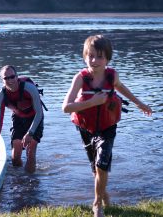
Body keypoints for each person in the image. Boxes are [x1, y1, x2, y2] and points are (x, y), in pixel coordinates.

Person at [62, 35, 152, 217]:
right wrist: (93, 102)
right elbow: (66, 107)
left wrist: (138, 103)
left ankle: (97, 204)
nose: (94, 61)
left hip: (107, 126)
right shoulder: (80, 78)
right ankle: (103, 194)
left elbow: (121, 87)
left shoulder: (112, 76)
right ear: (84, 56)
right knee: (95, 168)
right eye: (91, 56)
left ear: (108, 59)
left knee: (102, 164)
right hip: (86, 128)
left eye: (100, 56)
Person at [0, 65, 44, 173]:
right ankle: (18, 180)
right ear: (2, 80)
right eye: (6, 78)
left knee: (30, 153)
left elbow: (39, 113)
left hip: (35, 118)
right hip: (18, 118)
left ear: (16, 77)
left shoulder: (29, 89)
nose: (10, 80)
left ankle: (31, 184)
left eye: (12, 77)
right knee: (15, 158)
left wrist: (30, 133)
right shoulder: (1, 97)